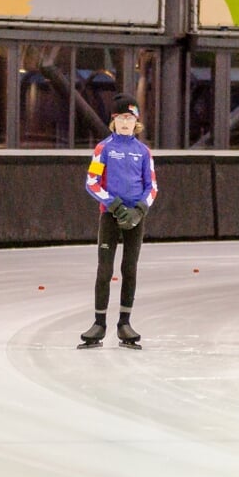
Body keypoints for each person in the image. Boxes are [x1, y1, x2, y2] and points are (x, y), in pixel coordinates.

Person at [79, 93, 157, 350]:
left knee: (129, 268)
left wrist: (139, 210)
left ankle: (125, 323)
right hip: (110, 216)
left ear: (136, 122)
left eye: (130, 118)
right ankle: (99, 323)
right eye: (121, 118)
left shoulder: (143, 152)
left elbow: (152, 186)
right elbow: (92, 182)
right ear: (113, 121)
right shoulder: (104, 149)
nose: (126, 122)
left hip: (135, 217)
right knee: (104, 270)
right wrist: (114, 205)